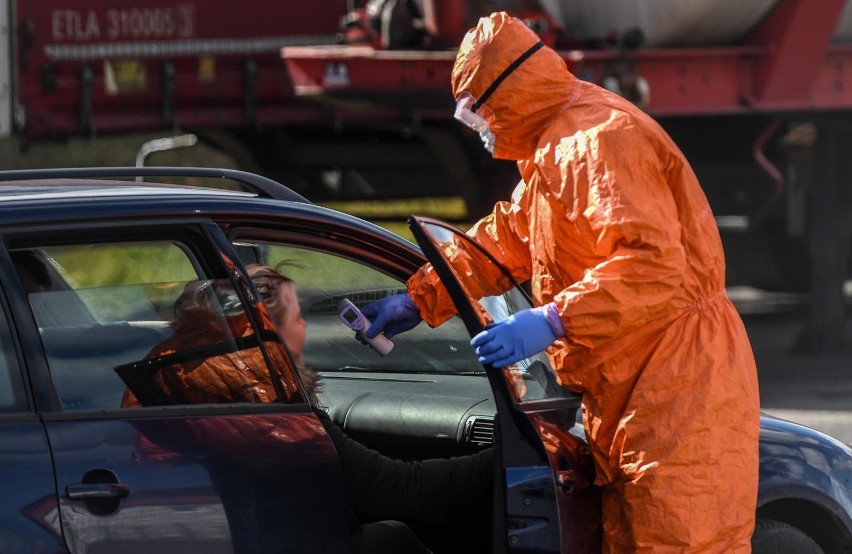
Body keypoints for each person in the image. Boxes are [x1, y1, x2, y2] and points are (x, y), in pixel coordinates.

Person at [360, 11, 760, 553]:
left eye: (478, 114)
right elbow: (508, 240)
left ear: (505, 93)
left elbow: (652, 265)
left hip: (679, 380)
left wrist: (554, 319)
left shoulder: (598, 140)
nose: (481, 130)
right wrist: (419, 295)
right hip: (634, 382)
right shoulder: (556, 146)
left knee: (676, 538)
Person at [246, 264, 495, 554]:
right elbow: (402, 488)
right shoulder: (285, 422)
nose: (303, 327)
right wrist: (503, 458)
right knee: (392, 538)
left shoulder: (213, 399)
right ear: (270, 335)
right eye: (296, 318)